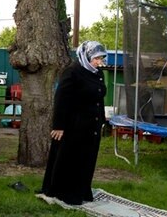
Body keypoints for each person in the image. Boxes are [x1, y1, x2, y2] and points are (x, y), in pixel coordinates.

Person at [38, 40, 107, 208]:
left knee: (87, 159)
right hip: (74, 126)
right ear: (86, 55)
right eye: (96, 58)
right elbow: (61, 99)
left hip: (92, 126)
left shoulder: (98, 73)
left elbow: (99, 98)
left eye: (101, 58)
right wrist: (59, 126)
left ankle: (81, 191)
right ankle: (64, 193)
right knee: (70, 159)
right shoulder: (72, 72)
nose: (99, 62)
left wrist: (102, 120)